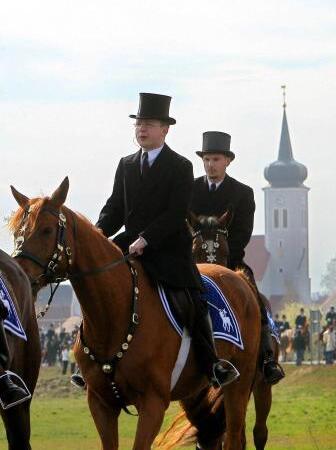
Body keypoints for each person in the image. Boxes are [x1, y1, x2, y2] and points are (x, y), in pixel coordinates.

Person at [95, 93, 239, 388]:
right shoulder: (126, 164)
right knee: (97, 288)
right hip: (128, 245)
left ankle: (211, 365)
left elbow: (175, 215)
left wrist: (146, 239)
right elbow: (115, 208)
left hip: (168, 251)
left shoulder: (180, 166)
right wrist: (97, 235)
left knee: (193, 304)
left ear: (165, 129)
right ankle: (91, 362)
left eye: (148, 124)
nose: (141, 129)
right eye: (138, 124)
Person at [189, 131, 283, 385]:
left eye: (216, 159)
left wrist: (221, 261)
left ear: (228, 161)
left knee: (256, 301)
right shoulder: (190, 189)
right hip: (193, 263)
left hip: (231, 262)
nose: (210, 165)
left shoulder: (242, 193)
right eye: (207, 159)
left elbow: (242, 234)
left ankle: (266, 358)